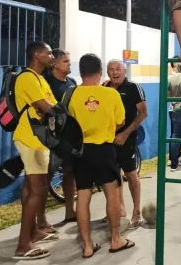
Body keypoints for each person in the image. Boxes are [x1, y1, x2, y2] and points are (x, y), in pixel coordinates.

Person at [70, 54, 135, 257]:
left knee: (82, 196)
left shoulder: (71, 95)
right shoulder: (111, 94)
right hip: (105, 150)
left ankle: (88, 245)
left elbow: (69, 124)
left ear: (80, 72)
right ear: (100, 72)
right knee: (111, 193)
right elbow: (120, 122)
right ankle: (116, 239)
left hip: (80, 152)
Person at [11, 42, 57, 261]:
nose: (52, 57)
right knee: (38, 189)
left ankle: (33, 232)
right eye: (49, 53)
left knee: (32, 188)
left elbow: (53, 104)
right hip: (30, 139)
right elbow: (47, 107)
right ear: (37, 55)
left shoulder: (40, 79)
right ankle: (23, 245)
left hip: (39, 140)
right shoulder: (27, 78)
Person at [104, 60, 148, 230]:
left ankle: (136, 213)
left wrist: (125, 133)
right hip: (108, 140)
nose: (115, 72)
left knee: (130, 174)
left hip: (127, 138)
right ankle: (119, 209)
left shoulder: (133, 88)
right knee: (114, 176)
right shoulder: (105, 88)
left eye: (118, 69)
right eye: (111, 70)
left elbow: (143, 113)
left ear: (124, 71)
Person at [39, 49, 78, 231]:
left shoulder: (72, 83)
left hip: (68, 138)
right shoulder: (46, 83)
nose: (69, 64)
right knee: (45, 178)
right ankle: (41, 219)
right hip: (50, 139)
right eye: (66, 62)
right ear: (55, 64)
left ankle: (70, 211)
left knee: (69, 174)